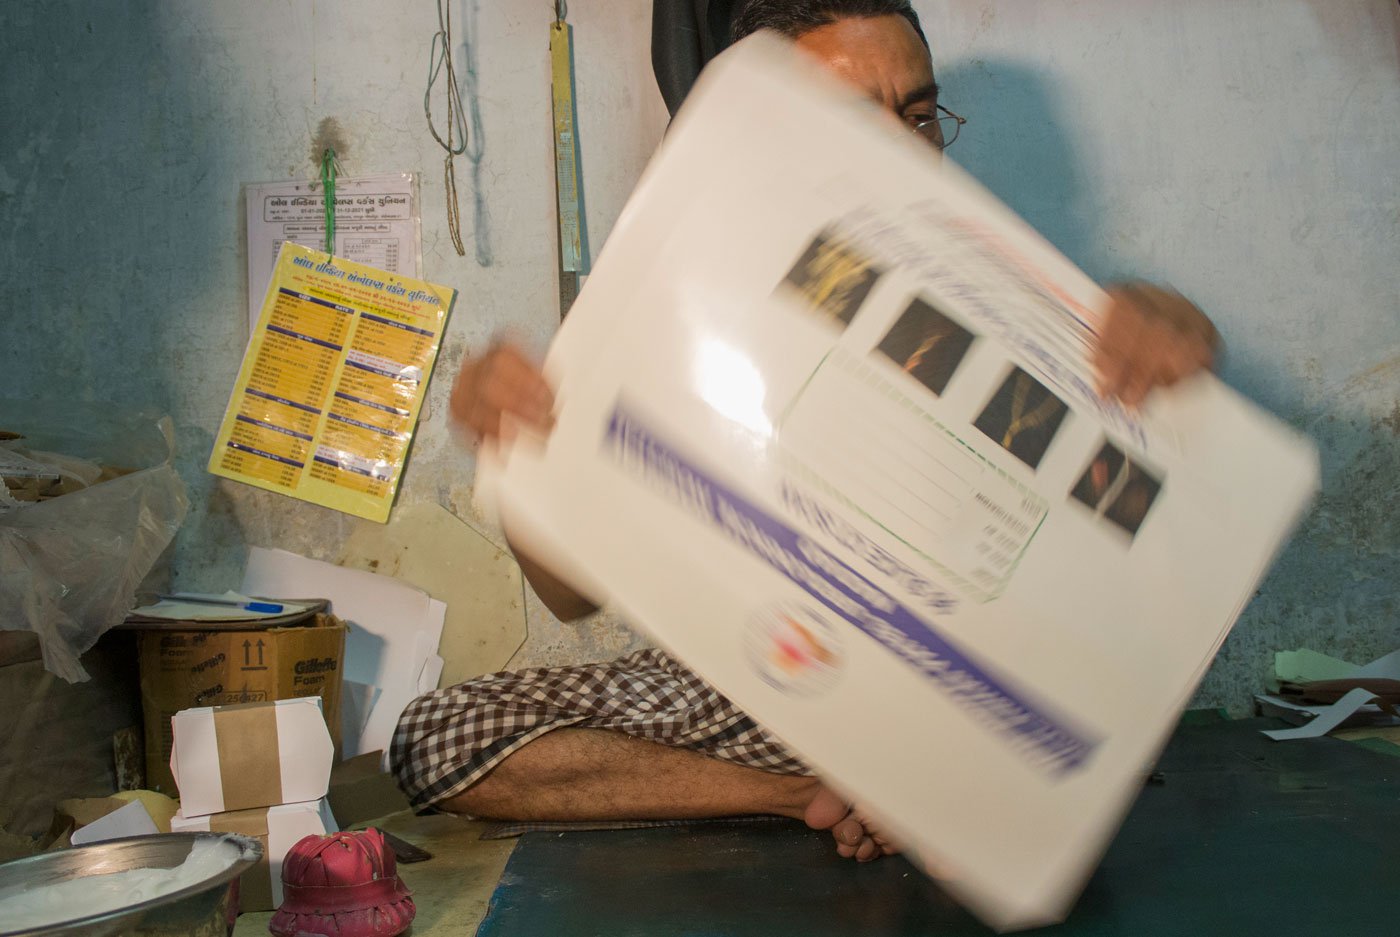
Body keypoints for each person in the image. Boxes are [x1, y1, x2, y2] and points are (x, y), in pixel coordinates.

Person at [390, 0, 1219, 864]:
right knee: (435, 735)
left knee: (1074, 740)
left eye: (919, 114)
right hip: (772, 691)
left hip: (962, 702)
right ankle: (815, 794)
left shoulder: (1017, 312)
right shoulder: (682, 311)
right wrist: (522, 449)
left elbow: (1141, 567)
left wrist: (1171, 365)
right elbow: (570, 594)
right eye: (851, 120)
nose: (903, 147)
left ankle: (923, 784)